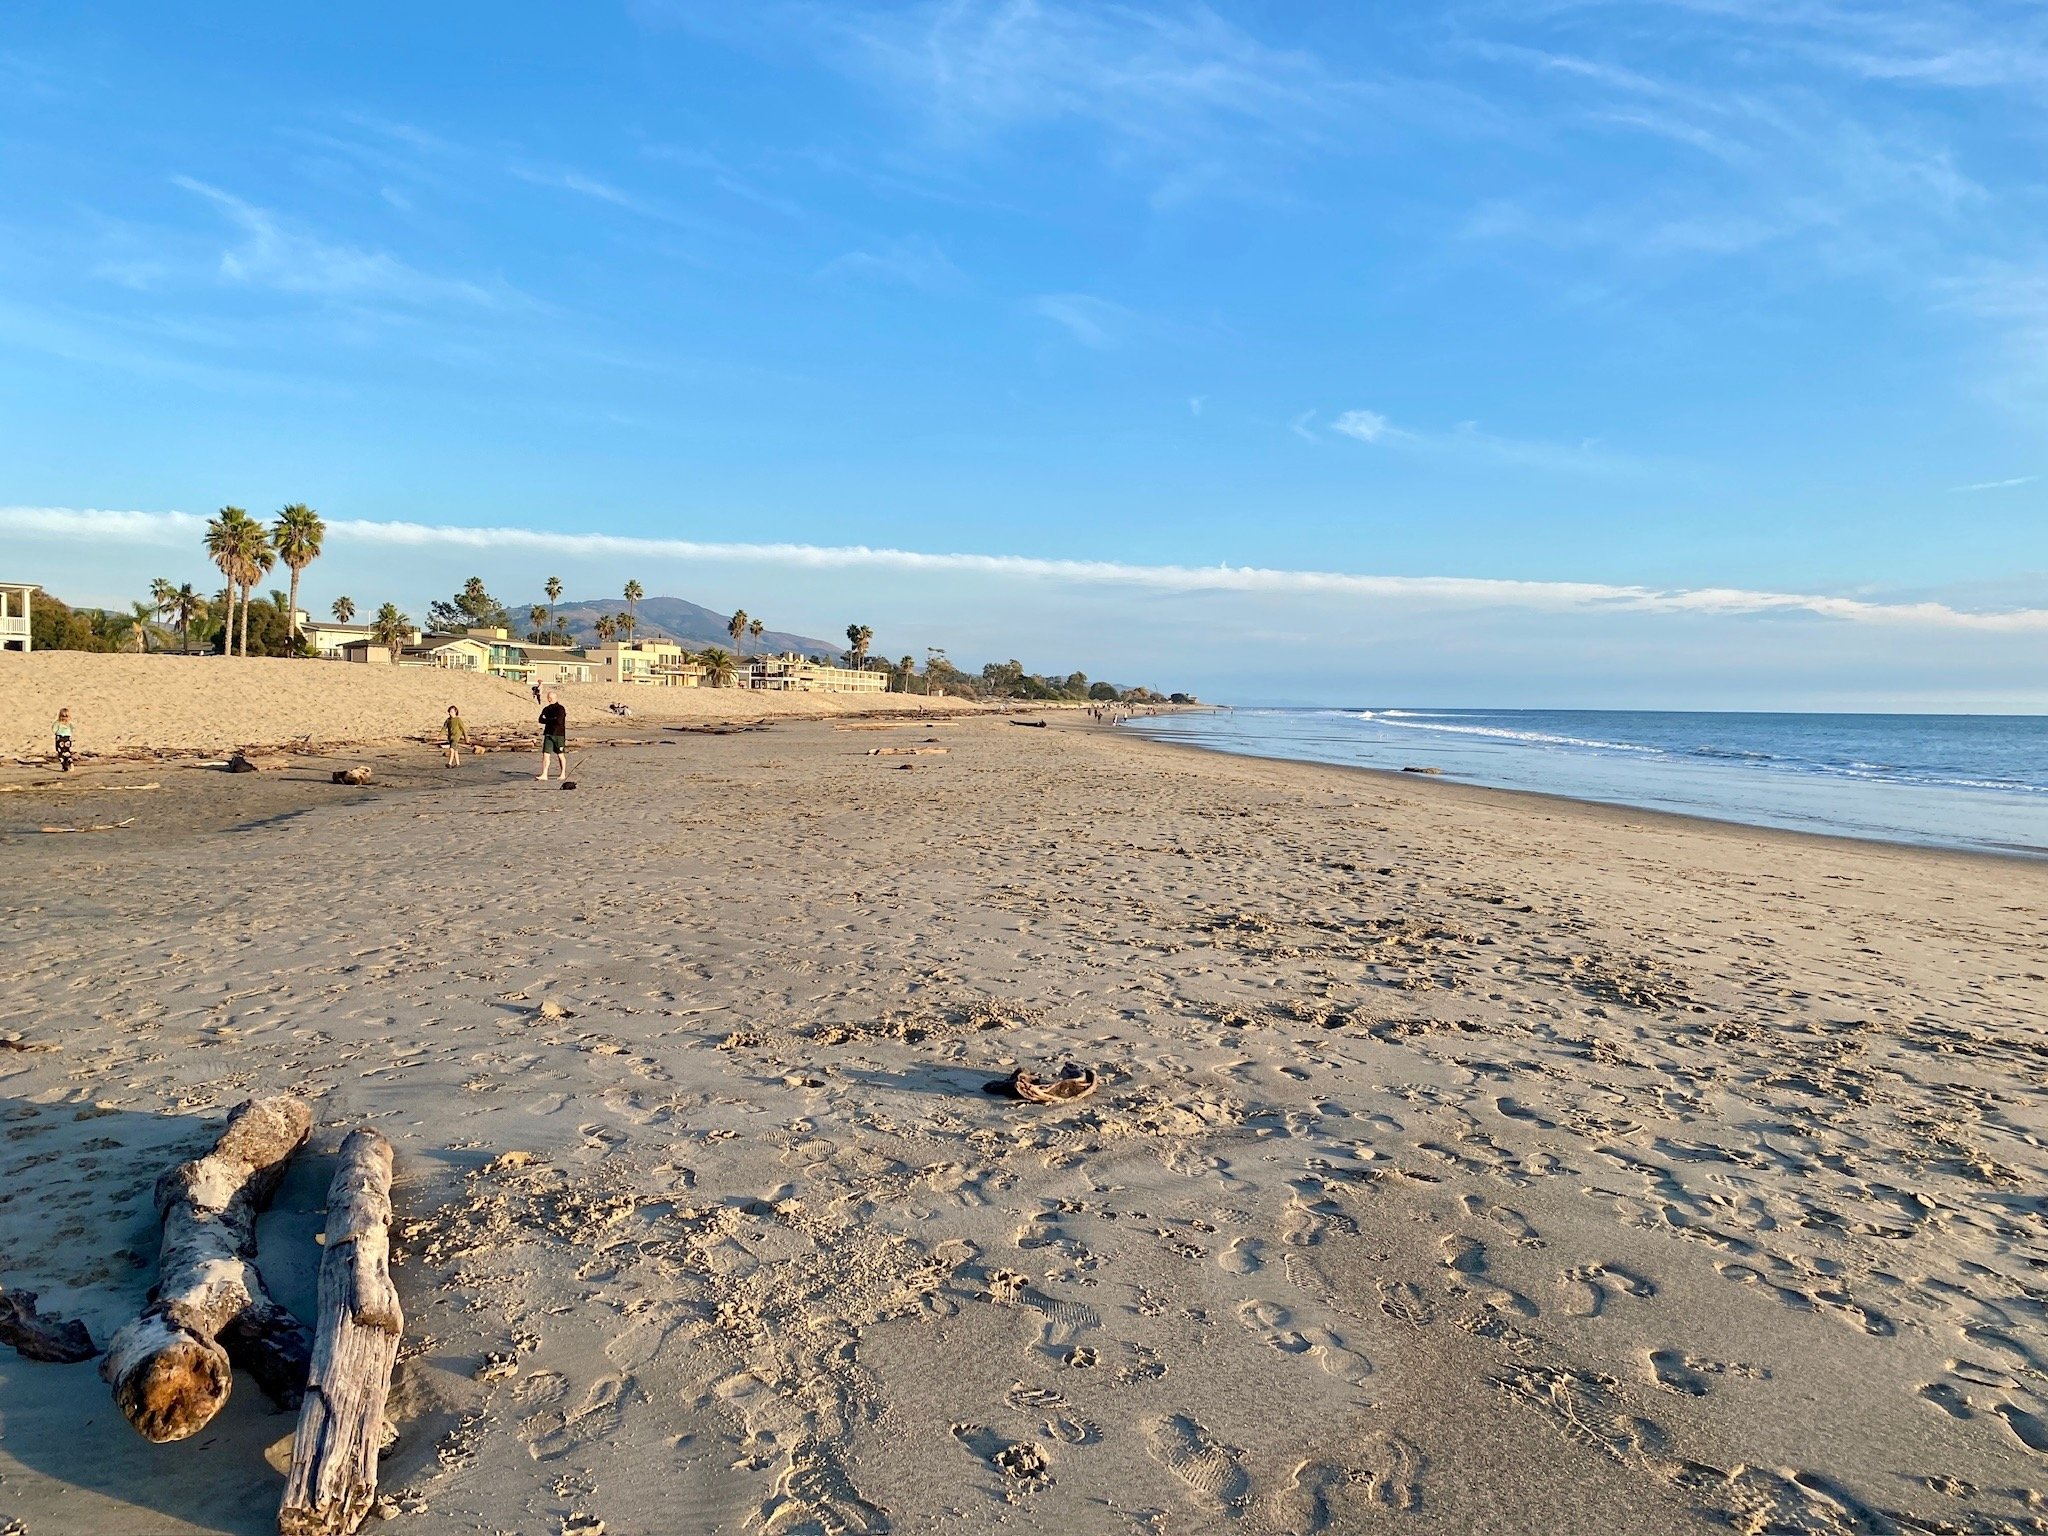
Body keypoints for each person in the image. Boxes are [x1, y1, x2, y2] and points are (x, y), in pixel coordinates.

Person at [537, 690, 568, 782]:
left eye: (551, 698)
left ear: (555, 698)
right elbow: (540, 719)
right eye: (548, 698)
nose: (549, 699)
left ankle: (562, 773)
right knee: (546, 754)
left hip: (559, 734)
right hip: (548, 733)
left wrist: (548, 720)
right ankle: (544, 774)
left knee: (560, 754)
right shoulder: (546, 709)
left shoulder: (560, 708)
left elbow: (559, 720)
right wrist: (551, 720)